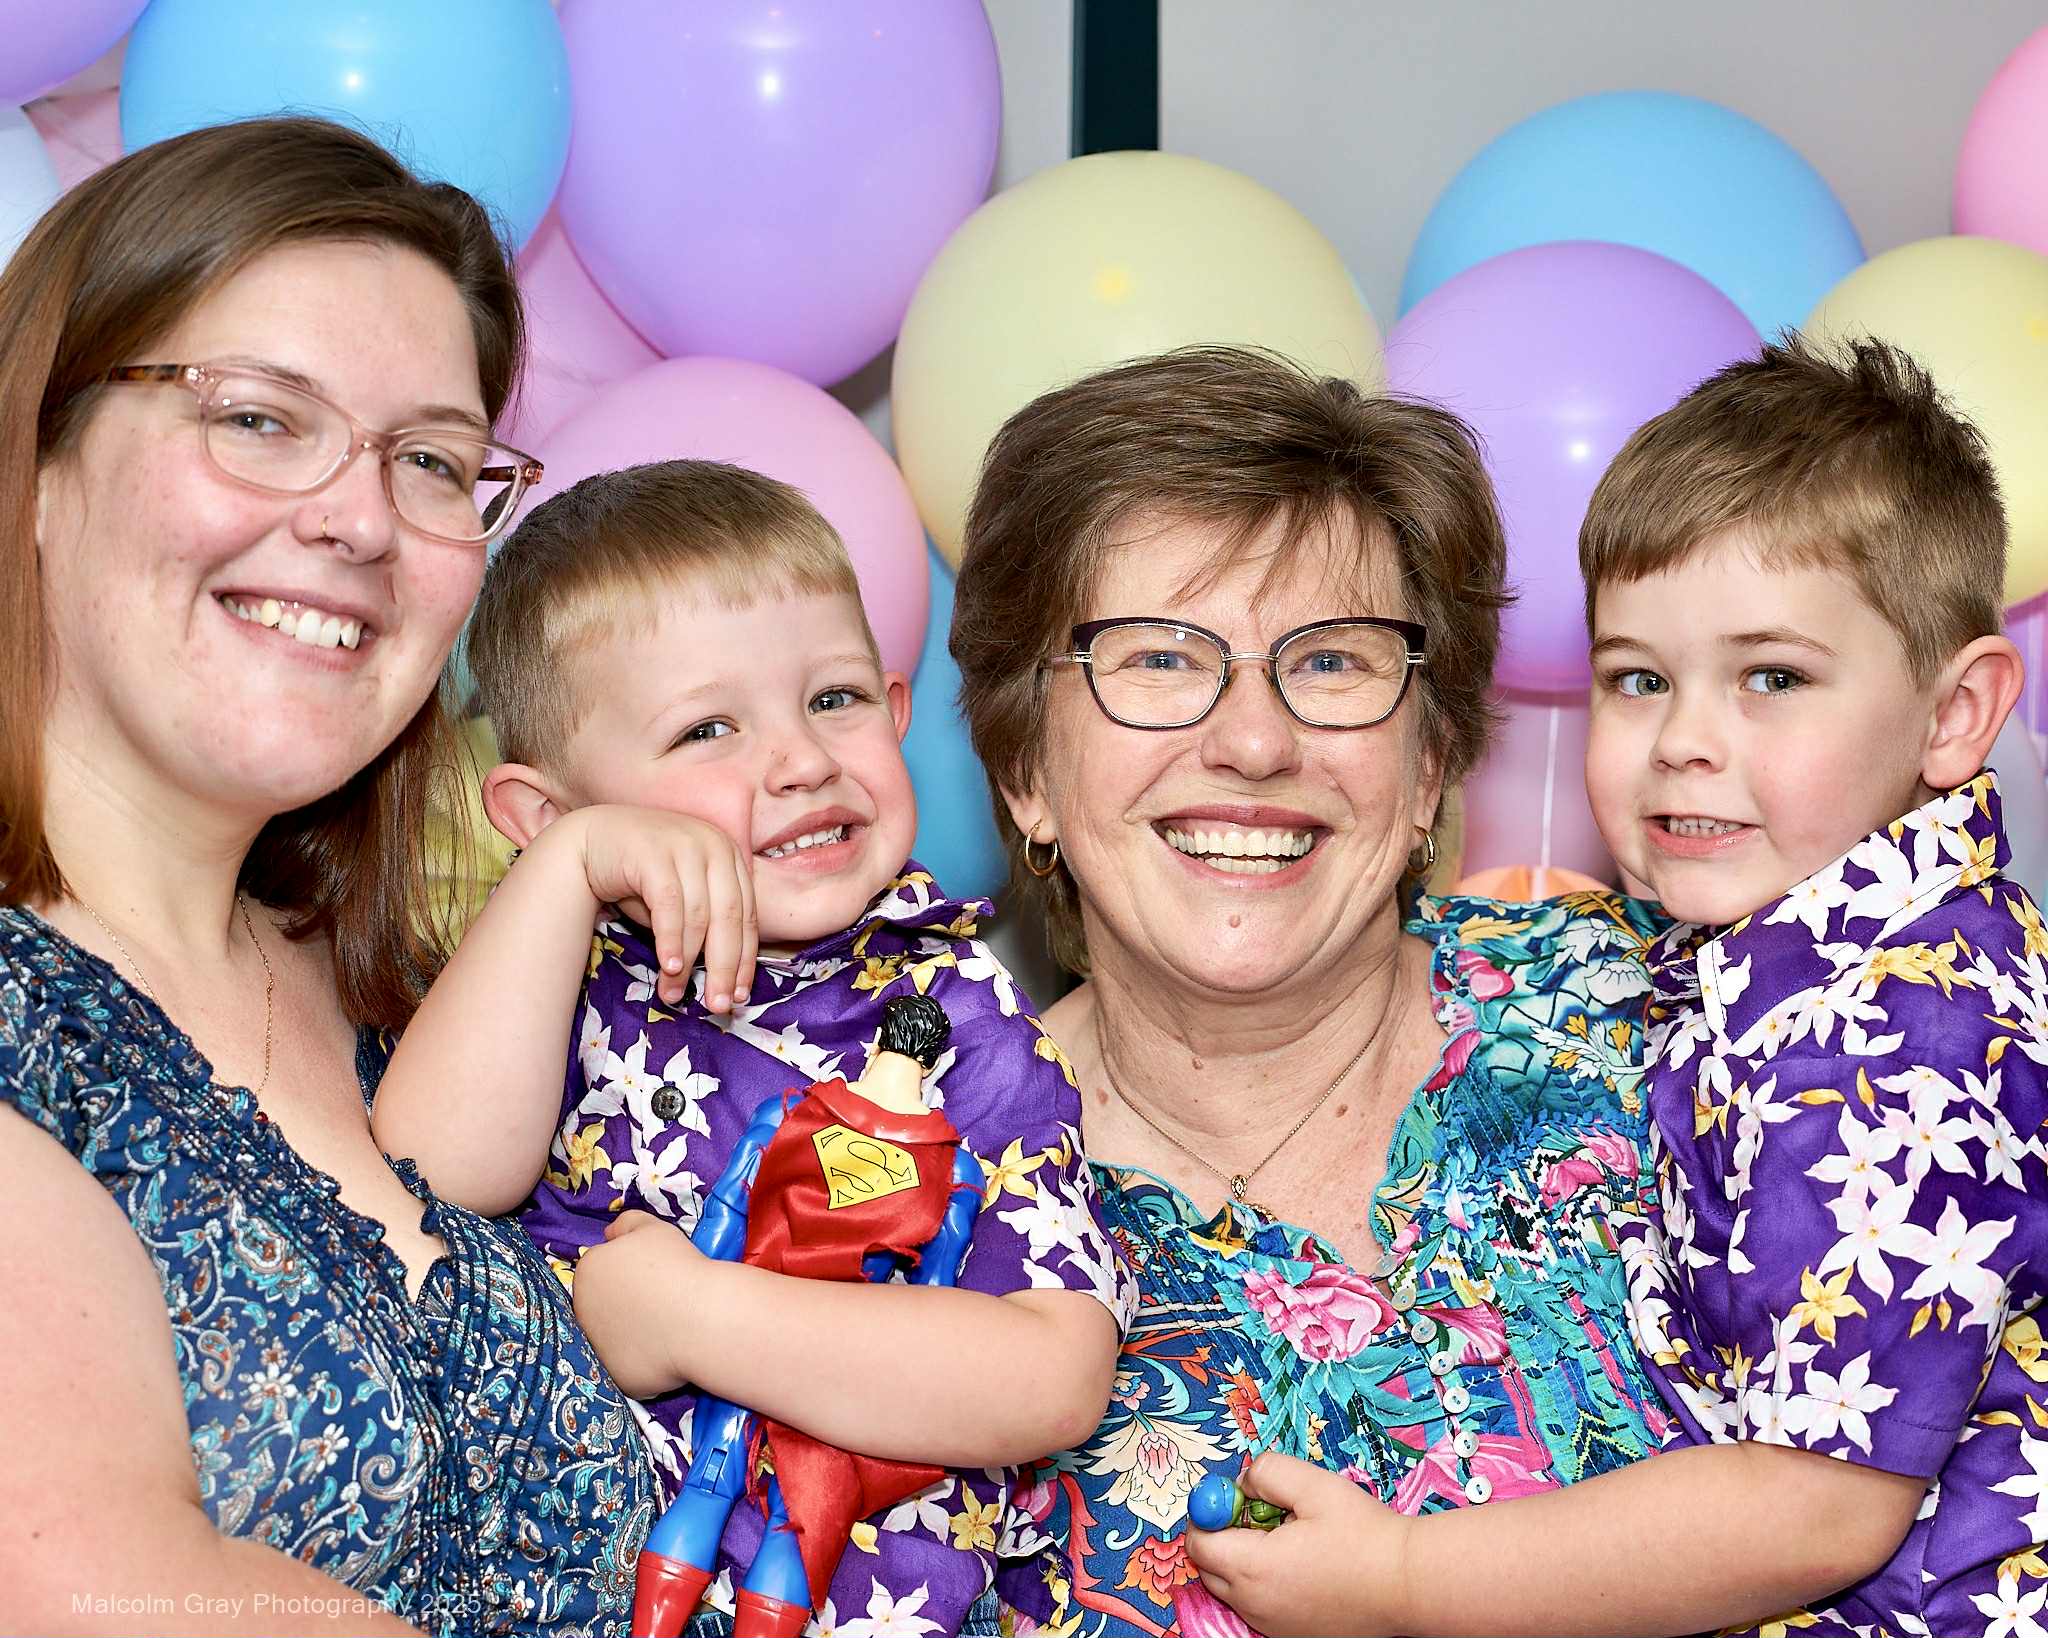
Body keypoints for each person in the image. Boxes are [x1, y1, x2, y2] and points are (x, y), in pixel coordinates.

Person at [1185, 338, 2048, 1638]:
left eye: (1772, 678)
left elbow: (1814, 1507)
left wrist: (1405, 1580)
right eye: (1639, 679)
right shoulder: (1802, 952)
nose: (1683, 740)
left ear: (1954, 712)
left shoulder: (1887, 1045)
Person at [0, 118, 657, 1637]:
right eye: (259, 418)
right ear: (35, 462)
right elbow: (77, 1583)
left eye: (430, 460)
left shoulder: (441, 1015)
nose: (360, 520)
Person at [946, 345, 1676, 1638]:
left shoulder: (1669, 1023)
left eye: (1332, 661)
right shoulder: (907, 1217)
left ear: (1429, 765)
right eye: (1160, 659)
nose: (1253, 740)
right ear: (1026, 771)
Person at [368, 461, 1134, 1638]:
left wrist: (693, 1317)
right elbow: (428, 1172)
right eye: (708, 727)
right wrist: (565, 876)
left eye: (833, 698)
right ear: (547, 814)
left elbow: (1050, 1378)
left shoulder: (953, 1012)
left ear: (895, 709)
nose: (801, 759)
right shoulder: (550, 974)